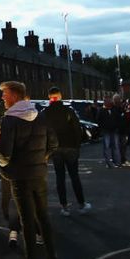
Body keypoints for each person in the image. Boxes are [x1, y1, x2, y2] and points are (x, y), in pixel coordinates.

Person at [0, 81, 59, 259]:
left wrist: (4, 167)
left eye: (5, 93)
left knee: (27, 221)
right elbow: (53, 143)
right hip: (39, 174)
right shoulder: (40, 117)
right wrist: (42, 159)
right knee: (43, 217)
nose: (2, 97)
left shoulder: (9, 120)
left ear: (15, 95)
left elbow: (5, 152)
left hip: (20, 176)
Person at [41, 87, 91, 215]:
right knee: (74, 176)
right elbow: (77, 129)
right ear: (60, 96)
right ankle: (81, 203)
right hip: (70, 147)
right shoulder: (68, 111)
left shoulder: (46, 112)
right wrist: (77, 145)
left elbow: (43, 132)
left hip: (56, 149)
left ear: (49, 97)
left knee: (60, 177)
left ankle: (64, 206)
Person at [0, 97, 20, 244]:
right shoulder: (20, 113)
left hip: (5, 155)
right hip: (18, 156)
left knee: (7, 185)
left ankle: (8, 213)